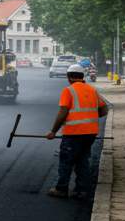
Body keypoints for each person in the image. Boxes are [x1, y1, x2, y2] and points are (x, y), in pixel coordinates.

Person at [45, 64, 108, 199]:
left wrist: (53, 131)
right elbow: (104, 109)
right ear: (83, 76)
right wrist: (89, 118)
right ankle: (81, 190)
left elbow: (63, 112)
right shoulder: (92, 90)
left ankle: (61, 189)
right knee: (82, 161)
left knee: (66, 160)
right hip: (90, 133)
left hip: (73, 133)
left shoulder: (68, 91)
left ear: (68, 77)